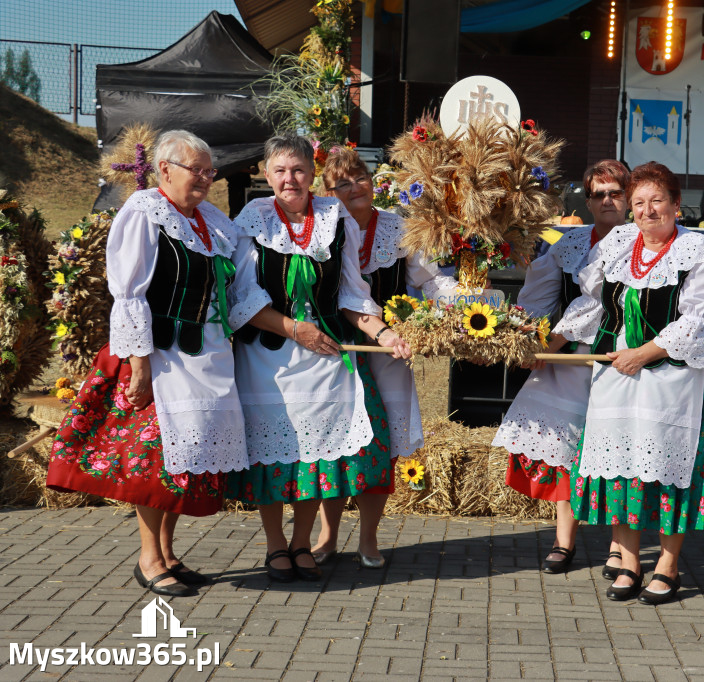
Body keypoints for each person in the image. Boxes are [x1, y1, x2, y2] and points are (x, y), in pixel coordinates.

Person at [47, 130, 247, 597]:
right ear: (164, 170)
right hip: (158, 355)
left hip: (204, 356)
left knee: (185, 459)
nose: (204, 179)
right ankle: (148, 557)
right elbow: (129, 291)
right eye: (195, 170)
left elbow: (230, 288)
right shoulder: (144, 212)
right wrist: (139, 364)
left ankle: (169, 553)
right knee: (154, 462)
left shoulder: (213, 222)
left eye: (208, 171)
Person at [225, 134, 411, 583]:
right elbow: (242, 297)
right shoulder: (252, 218)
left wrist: (383, 333)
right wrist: (293, 328)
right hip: (269, 356)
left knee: (314, 455)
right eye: (280, 171)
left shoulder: (333, 216)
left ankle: (303, 543)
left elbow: (350, 290)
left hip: (325, 357)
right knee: (272, 455)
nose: (290, 179)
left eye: (299, 170)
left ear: (312, 173)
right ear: (266, 175)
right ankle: (275, 546)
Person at [547, 161, 704, 604]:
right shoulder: (619, 243)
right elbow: (594, 304)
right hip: (614, 376)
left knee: (667, 472)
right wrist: (553, 341)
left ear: (676, 206)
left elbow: (699, 317)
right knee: (620, 468)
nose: (648, 212)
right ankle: (629, 562)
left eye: (657, 202)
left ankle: (668, 566)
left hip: (669, 378)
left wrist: (645, 353)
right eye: (640, 203)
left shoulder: (696, 249)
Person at [310, 148, 456, 567]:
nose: (353, 187)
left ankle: (369, 538)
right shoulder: (322, 230)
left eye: (360, 177)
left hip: (388, 349)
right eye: (341, 182)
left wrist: (460, 308)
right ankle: (327, 535)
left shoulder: (398, 227)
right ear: (327, 191)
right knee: (335, 442)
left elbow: (430, 281)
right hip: (336, 348)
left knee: (383, 444)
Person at [494, 160, 630, 576]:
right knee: (566, 451)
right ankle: (564, 540)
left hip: (624, 361)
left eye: (615, 192)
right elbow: (537, 300)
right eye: (598, 193)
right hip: (572, 362)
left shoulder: (642, 243)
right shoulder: (569, 245)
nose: (607, 200)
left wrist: (550, 343)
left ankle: (618, 547)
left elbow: (591, 306)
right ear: (587, 201)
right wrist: (519, 339)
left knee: (618, 450)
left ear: (629, 196)